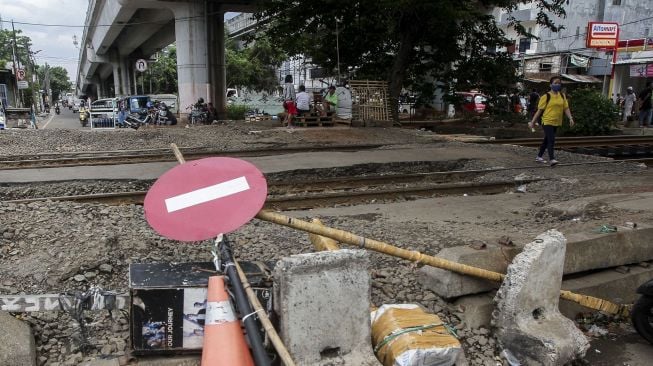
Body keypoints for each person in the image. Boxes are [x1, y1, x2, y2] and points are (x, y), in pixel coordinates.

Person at [528, 76, 575, 166]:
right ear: (550, 85)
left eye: (559, 83)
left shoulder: (562, 96)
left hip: (557, 121)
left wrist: (570, 118)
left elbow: (566, 108)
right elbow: (539, 110)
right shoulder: (546, 96)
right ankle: (552, 159)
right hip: (547, 121)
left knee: (547, 140)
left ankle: (539, 156)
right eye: (555, 83)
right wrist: (533, 122)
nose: (557, 85)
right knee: (551, 139)